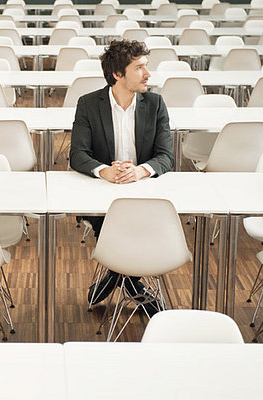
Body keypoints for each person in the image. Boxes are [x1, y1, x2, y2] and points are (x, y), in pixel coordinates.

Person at [69, 39, 174, 312]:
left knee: (132, 233)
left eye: (146, 67)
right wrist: (105, 171)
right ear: (118, 74)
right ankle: (137, 290)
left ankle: (114, 279)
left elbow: (166, 156)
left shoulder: (155, 104)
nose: (148, 74)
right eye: (139, 68)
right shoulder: (89, 104)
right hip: (103, 201)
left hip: (147, 196)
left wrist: (139, 171)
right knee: (119, 229)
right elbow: (77, 155)